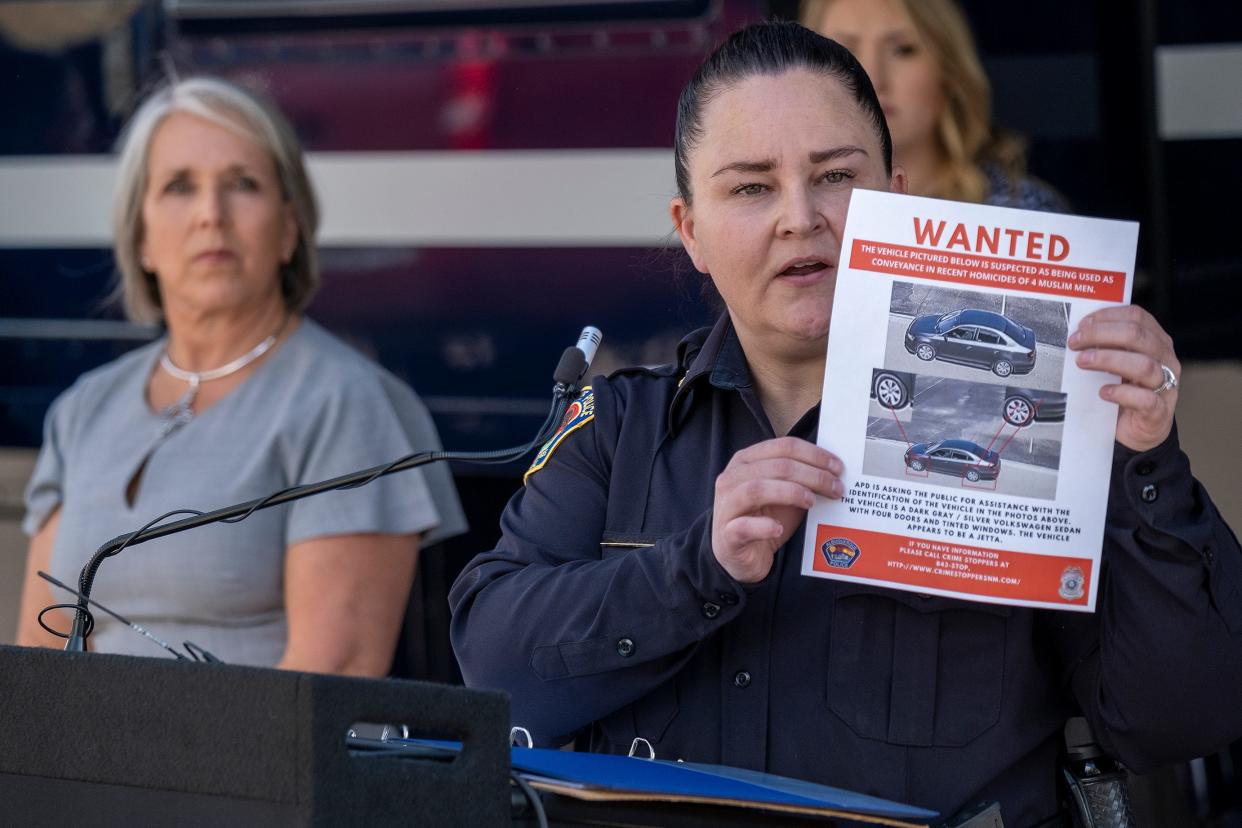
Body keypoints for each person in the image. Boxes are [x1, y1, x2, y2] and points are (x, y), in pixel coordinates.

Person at [448, 21, 1242, 824]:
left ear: (897, 199)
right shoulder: (619, 428)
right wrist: (699, 567)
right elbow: (496, 668)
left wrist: (1146, 460)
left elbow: (1181, 719)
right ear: (691, 231)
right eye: (752, 187)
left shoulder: (1039, 427)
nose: (800, 217)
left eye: (833, 176)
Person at [16, 77, 466, 675]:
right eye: (180, 186)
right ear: (142, 237)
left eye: (243, 185)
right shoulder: (83, 408)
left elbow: (325, 687)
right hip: (88, 765)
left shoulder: (347, 403)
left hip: (253, 765)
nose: (211, 215)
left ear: (288, 228)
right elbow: (35, 664)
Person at [802, 0, 1066, 211]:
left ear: (949, 71)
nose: (872, 77)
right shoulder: (794, 217)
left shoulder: (1019, 214)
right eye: (843, 50)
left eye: (903, 50)